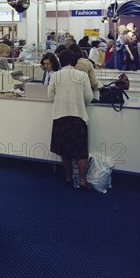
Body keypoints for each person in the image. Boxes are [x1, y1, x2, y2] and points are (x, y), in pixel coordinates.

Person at [48, 50, 93, 190]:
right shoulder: (82, 76)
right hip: (78, 116)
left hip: (61, 116)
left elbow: (50, 95)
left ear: (60, 61)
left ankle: (68, 177)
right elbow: (88, 97)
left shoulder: (56, 76)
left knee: (64, 151)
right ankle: (82, 180)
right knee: (81, 152)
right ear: (75, 61)